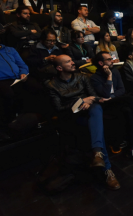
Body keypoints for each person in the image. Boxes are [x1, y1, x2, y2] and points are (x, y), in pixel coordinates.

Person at [47, 55, 120, 190]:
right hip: (72, 117)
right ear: (59, 67)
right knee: (96, 126)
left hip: (90, 112)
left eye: (71, 60)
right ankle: (105, 167)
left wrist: (90, 101)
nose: (73, 62)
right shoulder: (52, 85)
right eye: (68, 61)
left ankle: (99, 156)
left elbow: (95, 97)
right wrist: (80, 102)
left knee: (96, 109)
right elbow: (58, 109)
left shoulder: (82, 77)